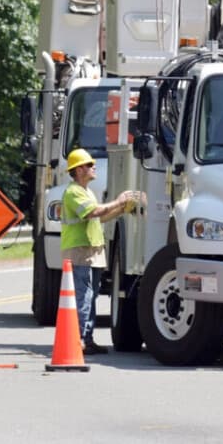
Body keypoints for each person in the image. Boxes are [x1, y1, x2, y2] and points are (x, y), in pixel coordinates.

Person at [60, 148, 142, 355]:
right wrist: (120, 201)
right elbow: (94, 212)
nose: (93, 167)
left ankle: (87, 338)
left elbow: (101, 217)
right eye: (89, 165)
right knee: (83, 297)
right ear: (78, 171)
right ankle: (78, 340)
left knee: (91, 295)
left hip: (92, 251)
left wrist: (121, 209)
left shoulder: (86, 191)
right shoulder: (73, 192)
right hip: (79, 251)